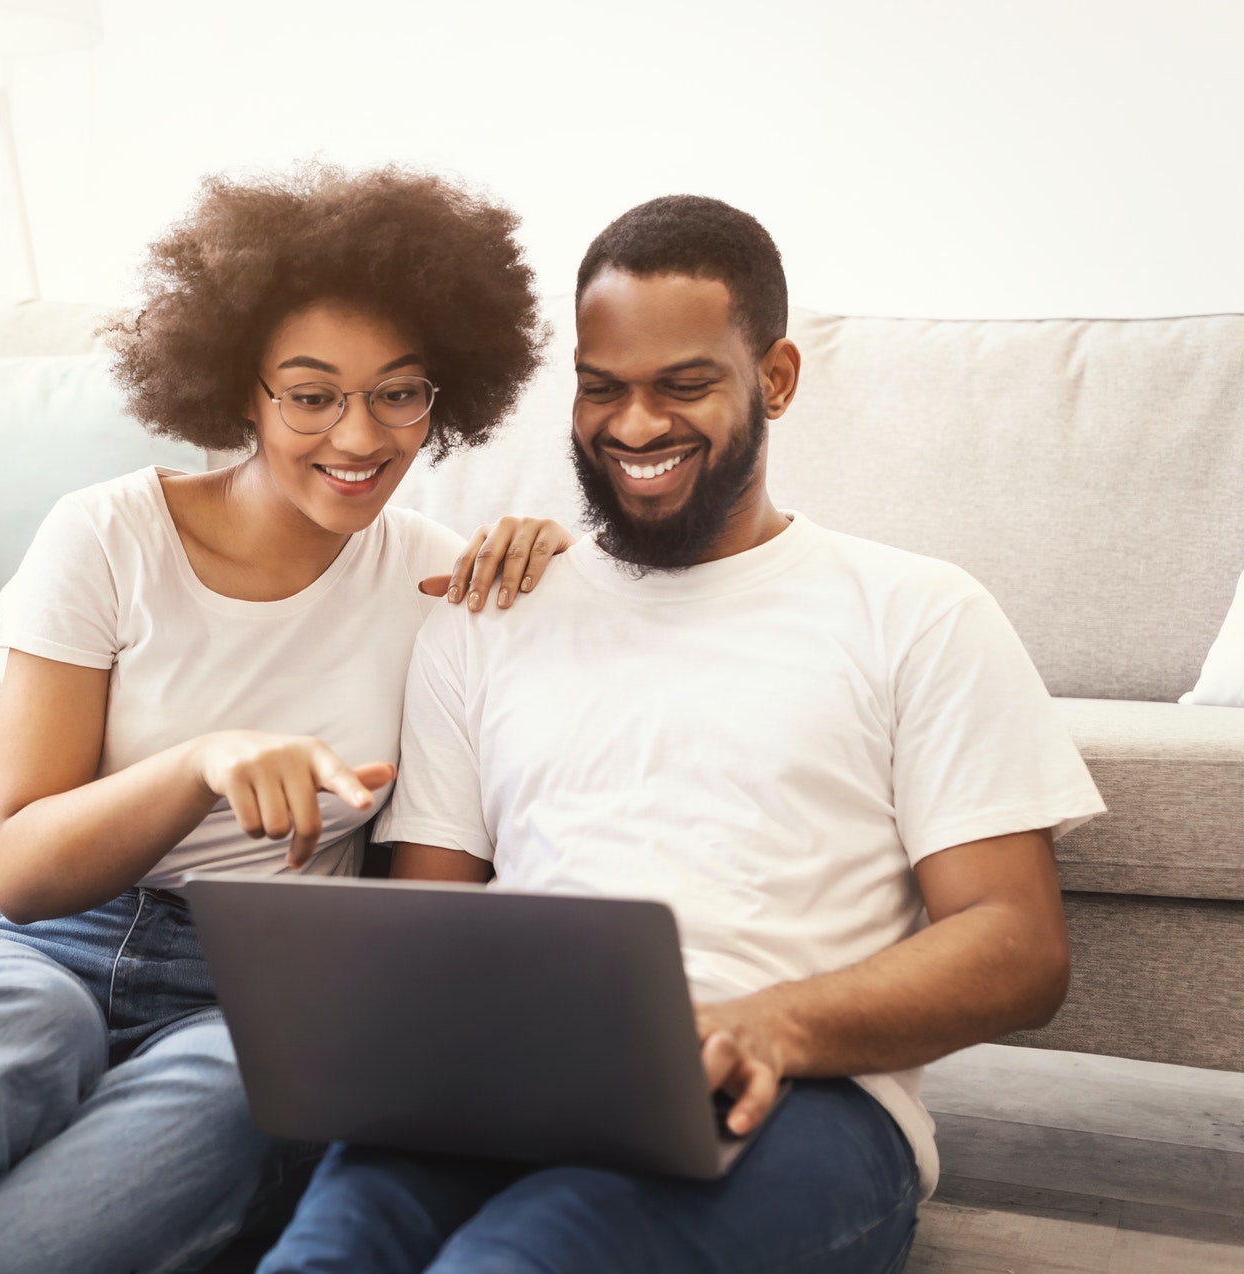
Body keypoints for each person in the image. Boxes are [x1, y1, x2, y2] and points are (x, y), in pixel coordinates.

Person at [0, 163, 572, 1274]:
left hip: (264, 987)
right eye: (308, 392)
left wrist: (571, 569)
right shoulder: (104, 535)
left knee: (163, 1139)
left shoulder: (443, 582)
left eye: (399, 390)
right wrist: (199, 762)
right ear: (239, 388)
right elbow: (20, 869)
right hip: (52, 940)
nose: (358, 433)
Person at [259, 195, 1108, 1274]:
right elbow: (433, 910)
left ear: (777, 378)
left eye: (684, 384)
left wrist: (766, 1024)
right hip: (511, 1077)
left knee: (520, 1258)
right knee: (323, 1254)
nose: (634, 424)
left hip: (797, 1094)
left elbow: (1016, 947)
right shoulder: (487, 614)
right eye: (601, 387)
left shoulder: (917, 611)